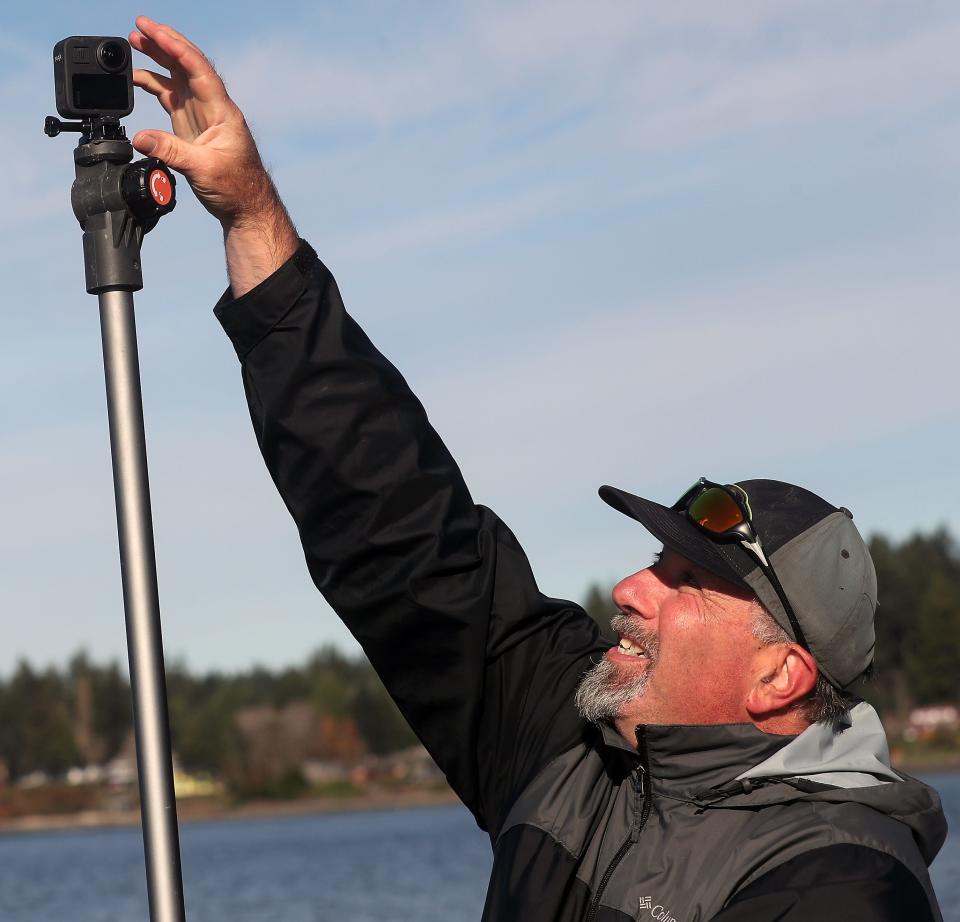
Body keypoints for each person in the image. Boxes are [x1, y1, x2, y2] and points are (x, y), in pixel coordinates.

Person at [128, 17, 946, 921]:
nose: (633, 586)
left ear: (779, 677)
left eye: (687, 580)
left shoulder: (845, 884)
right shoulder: (574, 738)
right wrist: (252, 219)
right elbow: (397, 526)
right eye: (656, 560)